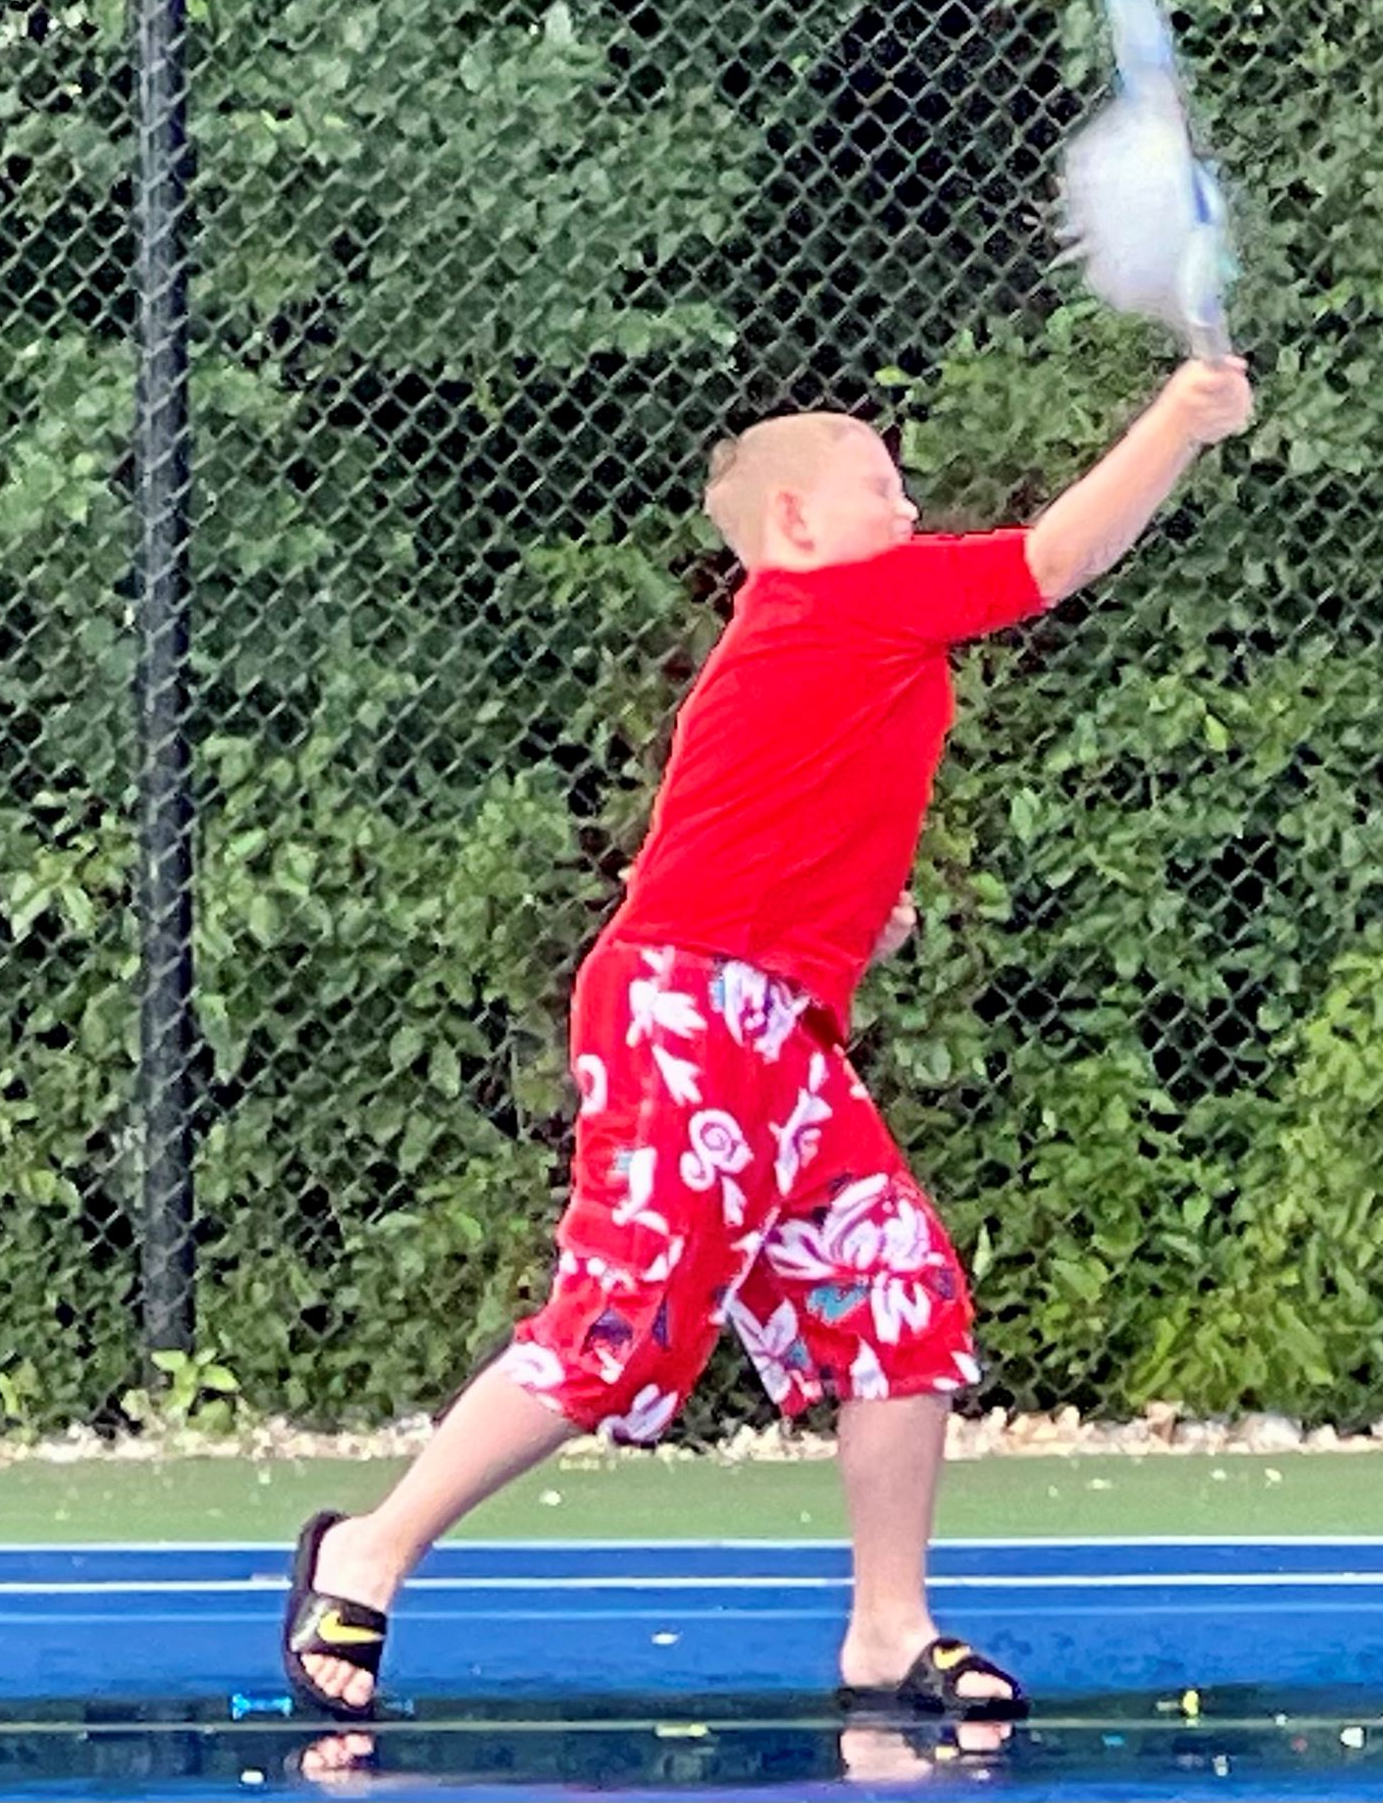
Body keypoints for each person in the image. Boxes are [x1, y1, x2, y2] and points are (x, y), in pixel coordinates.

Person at [282, 358, 1256, 1730]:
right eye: (881, 486)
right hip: (683, 1007)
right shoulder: (841, 596)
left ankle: (886, 1626)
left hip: (777, 1023)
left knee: (904, 1304)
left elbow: (782, 815)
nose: (910, 503)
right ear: (796, 523)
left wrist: (862, 915)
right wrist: (1179, 417)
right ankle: (368, 1549)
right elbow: (1058, 553)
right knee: (615, 1331)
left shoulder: (831, 637)